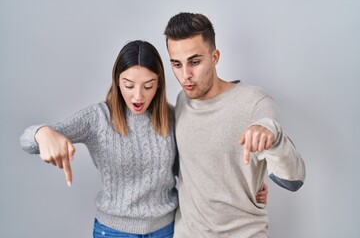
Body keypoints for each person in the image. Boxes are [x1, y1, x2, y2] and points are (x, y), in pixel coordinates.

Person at [20, 40, 268, 237]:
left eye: (148, 86)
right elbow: (26, 140)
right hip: (113, 232)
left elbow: (195, 167)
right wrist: (43, 134)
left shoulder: (172, 116)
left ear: (159, 84)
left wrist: (245, 186)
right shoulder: (97, 118)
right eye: (129, 85)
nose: (138, 96)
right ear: (117, 81)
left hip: (166, 230)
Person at [164, 12, 306, 237]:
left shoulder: (254, 103)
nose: (185, 76)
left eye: (195, 62)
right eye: (176, 64)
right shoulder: (182, 100)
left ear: (215, 56)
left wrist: (274, 136)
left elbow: (294, 180)